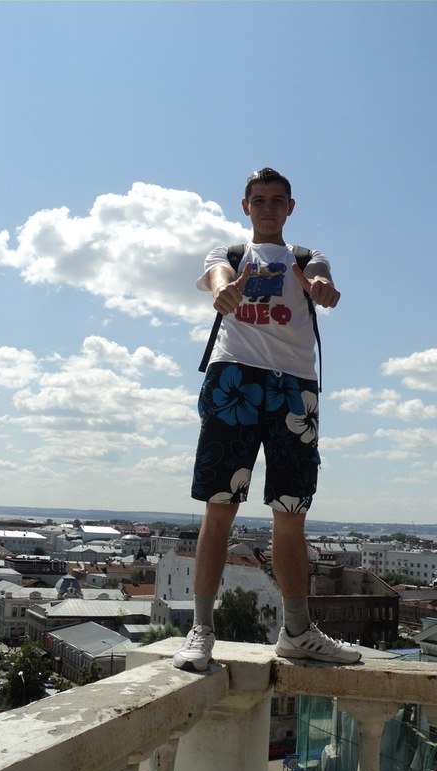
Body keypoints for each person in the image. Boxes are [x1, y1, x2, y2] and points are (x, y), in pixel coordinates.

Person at [173, 168, 361, 671]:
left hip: (293, 386)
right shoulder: (230, 254)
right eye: (259, 200)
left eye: (277, 200)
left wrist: (320, 287)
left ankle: (296, 632)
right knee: (219, 505)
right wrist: (225, 291)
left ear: (290, 207)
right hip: (234, 377)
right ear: (245, 206)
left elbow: (322, 279)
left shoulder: (305, 257)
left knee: (291, 510)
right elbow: (218, 277)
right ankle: (201, 630)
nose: (268, 208)